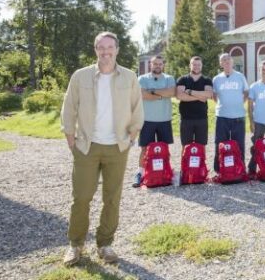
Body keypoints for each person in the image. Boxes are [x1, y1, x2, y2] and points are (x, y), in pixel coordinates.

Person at [60, 31, 143, 266]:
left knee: (112, 198)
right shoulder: (80, 76)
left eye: (110, 48)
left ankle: (105, 244)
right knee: (81, 198)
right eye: (101, 48)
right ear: (95, 50)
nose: (105, 52)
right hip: (86, 146)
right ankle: (75, 245)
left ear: (117, 50)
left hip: (117, 147)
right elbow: (68, 108)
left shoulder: (129, 77)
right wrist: (71, 140)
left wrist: (131, 138)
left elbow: (137, 109)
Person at [133, 55, 176, 187]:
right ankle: (140, 173)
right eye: (155, 64)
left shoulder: (169, 78)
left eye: (160, 64)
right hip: (148, 120)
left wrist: (152, 92)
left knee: (164, 148)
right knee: (145, 149)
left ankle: (166, 172)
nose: (158, 66)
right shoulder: (142, 79)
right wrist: (161, 94)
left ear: (163, 65)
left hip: (164, 119)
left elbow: (171, 93)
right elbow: (142, 95)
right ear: (150, 65)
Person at [213, 53, 249, 172]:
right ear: (221, 63)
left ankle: (240, 168)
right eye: (224, 60)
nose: (227, 62)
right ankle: (219, 170)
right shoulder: (217, 79)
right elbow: (214, 95)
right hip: (222, 116)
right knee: (220, 143)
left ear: (232, 62)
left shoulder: (240, 77)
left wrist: (238, 104)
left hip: (238, 116)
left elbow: (246, 93)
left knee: (239, 144)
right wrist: (223, 105)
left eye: (228, 59)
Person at [175, 56, 214, 148]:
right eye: (194, 64)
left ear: (202, 66)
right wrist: (200, 97)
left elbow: (209, 94)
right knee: (185, 146)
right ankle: (184, 163)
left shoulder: (206, 80)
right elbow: (180, 96)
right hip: (186, 119)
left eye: (198, 65)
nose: (196, 66)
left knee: (201, 146)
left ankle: (202, 163)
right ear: (190, 65)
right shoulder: (182, 79)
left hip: (202, 119)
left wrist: (190, 92)